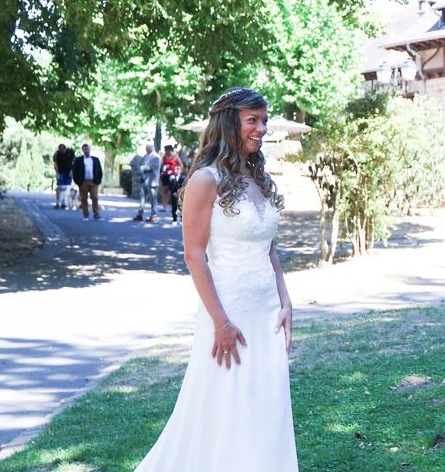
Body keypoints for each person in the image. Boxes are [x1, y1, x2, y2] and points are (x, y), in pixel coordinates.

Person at [136, 88, 296, 470]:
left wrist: (286, 300)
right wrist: (221, 323)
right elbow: (194, 257)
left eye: (264, 120)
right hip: (227, 313)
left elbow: (269, 249)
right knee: (224, 408)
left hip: (268, 313)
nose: (261, 128)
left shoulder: (260, 179)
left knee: (265, 404)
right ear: (229, 124)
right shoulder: (205, 181)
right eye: (252, 120)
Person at [72, 143, 103, 221]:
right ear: (82, 150)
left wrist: (98, 181)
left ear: (90, 150)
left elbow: (100, 171)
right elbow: (74, 171)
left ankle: (96, 214)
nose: (87, 150)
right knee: (83, 198)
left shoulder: (96, 159)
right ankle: (86, 215)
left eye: (88, 149)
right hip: (83, 182)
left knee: (95, 198)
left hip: (94, 182)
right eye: (85, 149)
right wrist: (78, 182)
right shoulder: (78, 160)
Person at [134, 144, 161, 222]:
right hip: (144, 180)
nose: (146, 150)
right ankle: (140, 214)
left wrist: (142, 168)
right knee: (142, 198)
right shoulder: (146, 156)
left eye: (147, 149)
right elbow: (142, 165)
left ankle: (153, 215)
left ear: (152, 148)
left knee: (153, 199)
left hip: (152, 181)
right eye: (146, 149)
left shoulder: (156, 157)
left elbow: (151, 167)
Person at [52, 144, 75, 209]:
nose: (61, 151)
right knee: (59, 188)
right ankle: (57, 203)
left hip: (69, 173)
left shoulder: (70, 153)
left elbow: (74, 162)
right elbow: (55, 164)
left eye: (62, 149)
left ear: (65, 149)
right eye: (60, 149)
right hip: (60, 173)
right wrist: (57, 173)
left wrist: (72, 171)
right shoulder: (57, 154)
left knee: (67, 189)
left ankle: (64, 203)